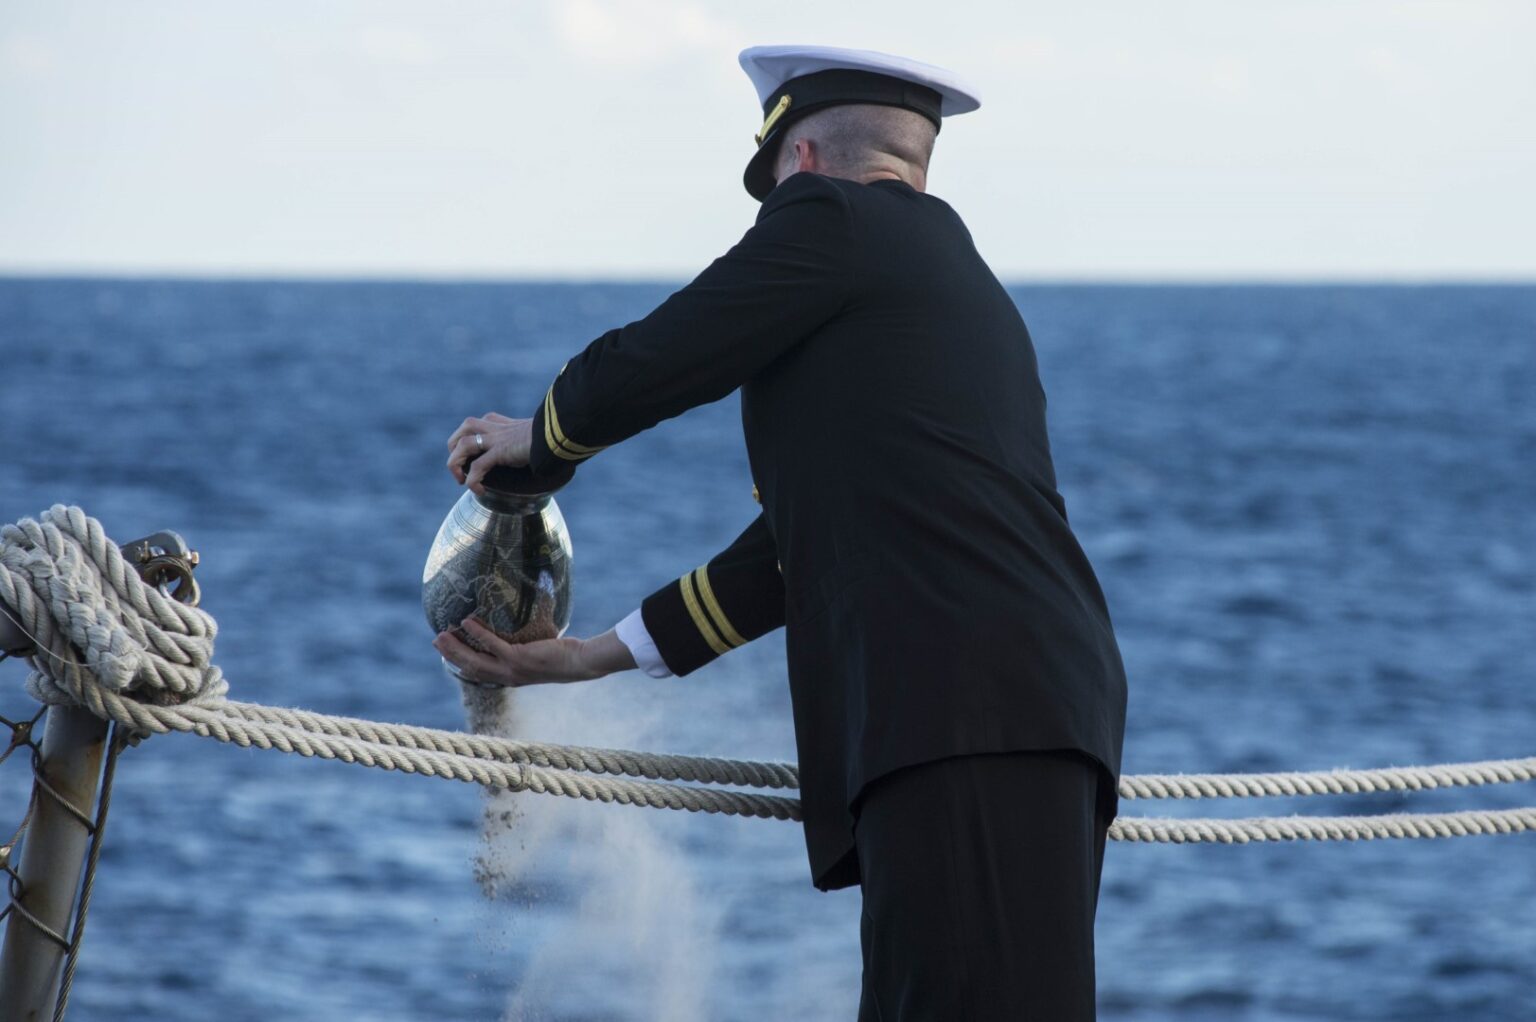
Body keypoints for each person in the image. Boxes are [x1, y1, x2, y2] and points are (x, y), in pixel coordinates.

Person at [434, 44, 1128, 1021]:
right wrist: (594, 654)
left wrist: (539, 442)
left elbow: (674, 347)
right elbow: (790, 556)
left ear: (797, 163)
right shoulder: (948, 288)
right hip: (1006, 713)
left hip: (966, 713)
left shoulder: (837, 218)